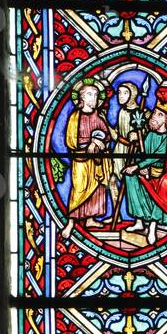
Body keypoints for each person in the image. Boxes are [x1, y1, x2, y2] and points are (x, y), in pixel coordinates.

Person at [122, 98, 167, 245]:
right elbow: (143, 155)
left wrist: (142, 168)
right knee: (130, 177)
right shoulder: (150, 135)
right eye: (154, 113)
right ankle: (139, 221)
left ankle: (153, 226)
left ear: (165, 120)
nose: (154, 117)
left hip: (165, 177)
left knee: (166, 181)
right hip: (148, 174)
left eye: (159, 115)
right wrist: (140, 167)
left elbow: (156, 156)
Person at [62, 79, 114, 240]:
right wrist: (88, 145)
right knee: (79, 189)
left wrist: (98, 142)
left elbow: (106, 137)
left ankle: (91, 219)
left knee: (97, 189)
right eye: (90, 94)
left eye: (96, 95)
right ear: (81, 98)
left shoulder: (100, 116)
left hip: (97, 159)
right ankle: (71, 222)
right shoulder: (75, 117)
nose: (94, 98)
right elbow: (70, 141)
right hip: (81, 159)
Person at [111, 82, 143, 218]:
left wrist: (138, 135)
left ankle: (139, 219)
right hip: (119, 151)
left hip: (132, 153)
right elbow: (117, 133)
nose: (121, 96)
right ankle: (116, 216)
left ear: (133, 94)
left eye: (125, 92)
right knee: (112, 181)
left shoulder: (141, 113)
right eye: (119, 92)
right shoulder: (122, 111)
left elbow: (145, 135)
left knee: (132, 186)